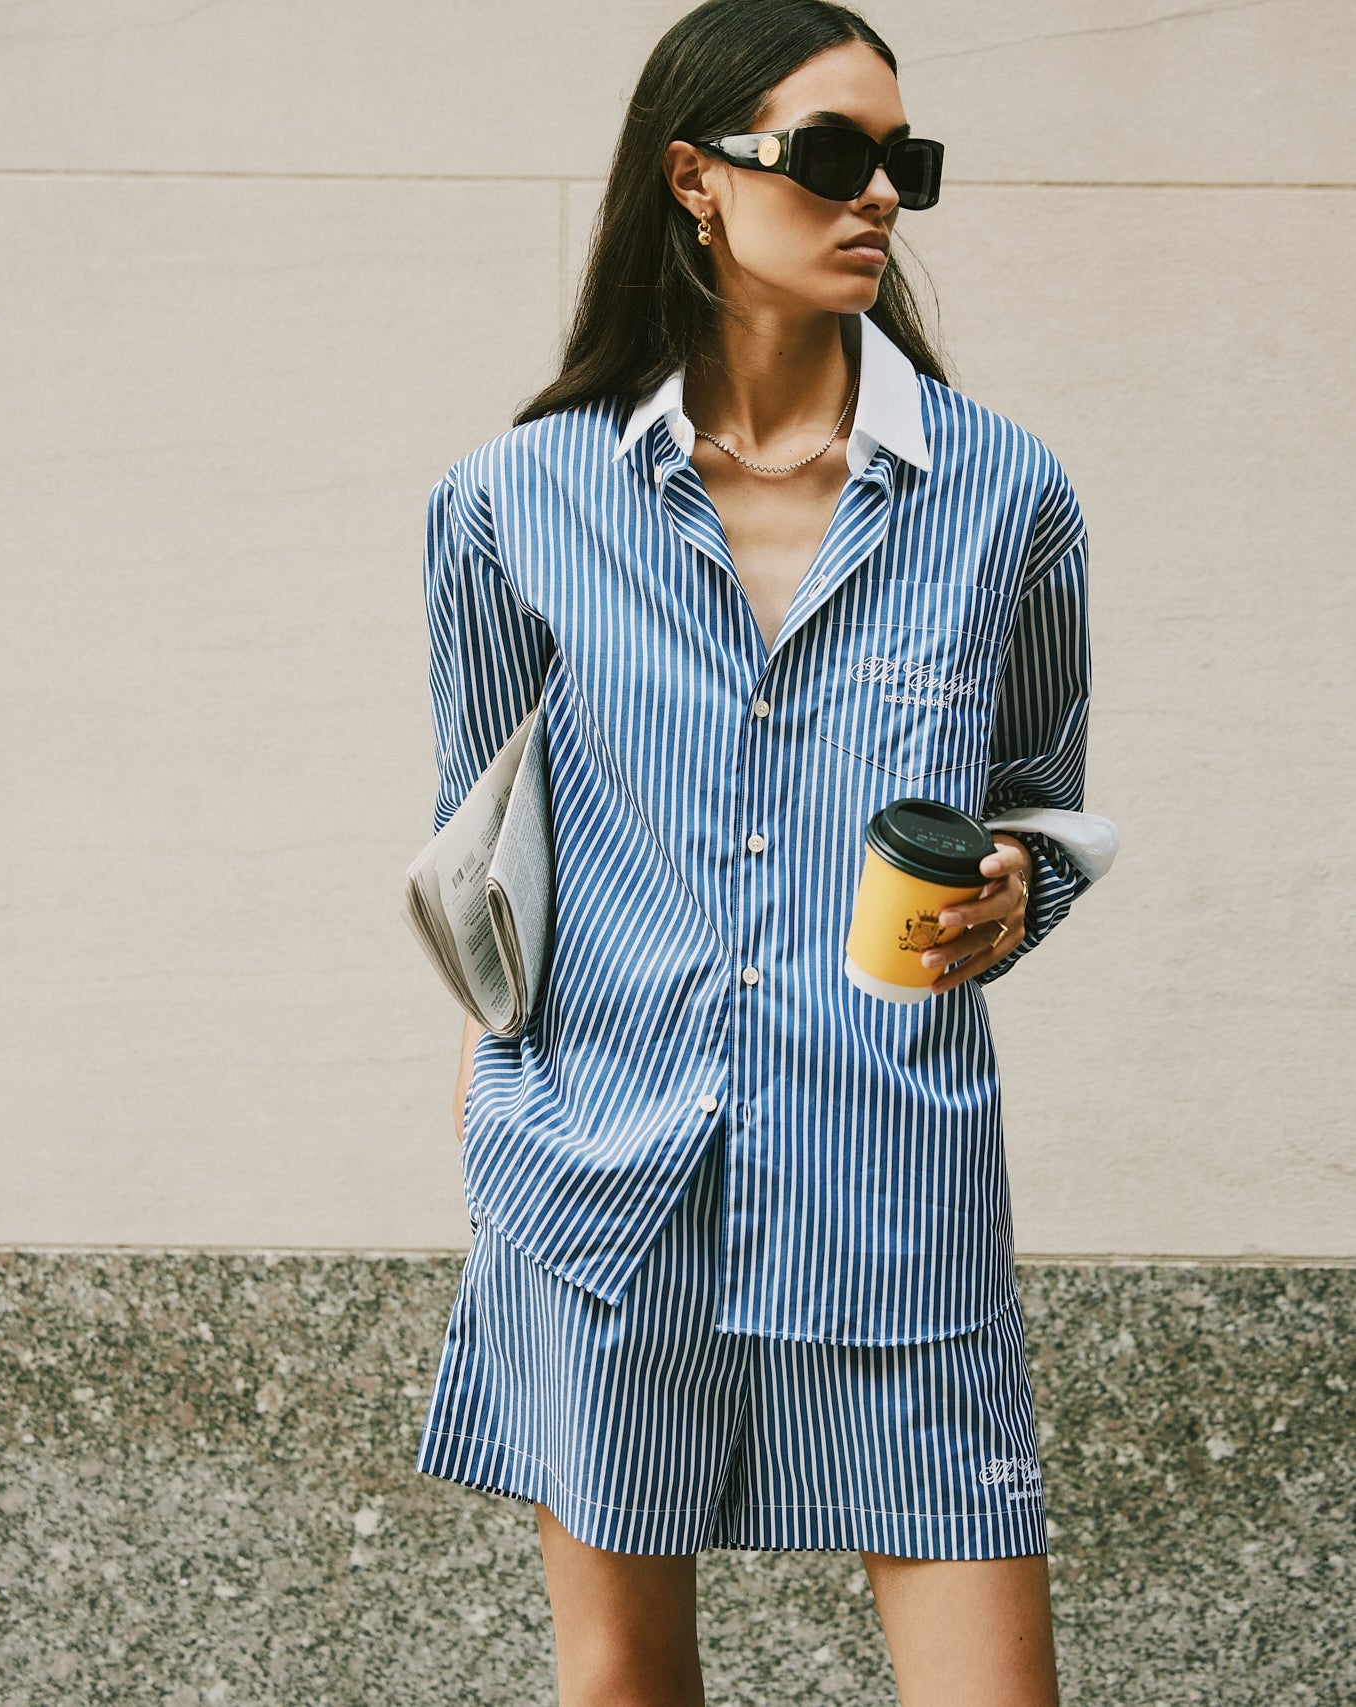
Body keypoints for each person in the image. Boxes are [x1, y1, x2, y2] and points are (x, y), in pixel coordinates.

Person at [415, 2, 1107, 1701]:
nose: (876, 195)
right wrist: (497, 1116)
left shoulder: (1003, 495)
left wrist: (1017, 883)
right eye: (830, 152)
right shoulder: (512, 501)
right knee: (621, 1681)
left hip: (890, 1180)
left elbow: (1039, 794)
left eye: (902, 162)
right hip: (602, 1180)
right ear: (695, 179)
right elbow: (481, 850)